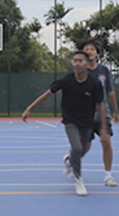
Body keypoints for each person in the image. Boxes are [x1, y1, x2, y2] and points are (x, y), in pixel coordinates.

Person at [22, 51, 106, 196]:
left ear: (87, 64)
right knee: (77, 147)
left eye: (80, 61)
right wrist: (30, 108)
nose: (77, 64)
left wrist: (103, 125)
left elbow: (101, 105)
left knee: (83, 150)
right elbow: (47, 94)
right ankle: (78, 180)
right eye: (75, 61)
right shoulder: (67, 81)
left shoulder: (94, 83)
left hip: (87, 123)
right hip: (70, 121)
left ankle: (69, 160)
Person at [80, 38, 119, 187]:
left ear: (96, 53)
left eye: (91, 49)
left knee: (106, 140)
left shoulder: (104, 71)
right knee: (86, 147)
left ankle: (108, 176)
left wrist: (116, 111)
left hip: (103, 113)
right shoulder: (80, 71)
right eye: (86, 49)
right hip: (86, 114)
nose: (89, 51)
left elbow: (110, 91)